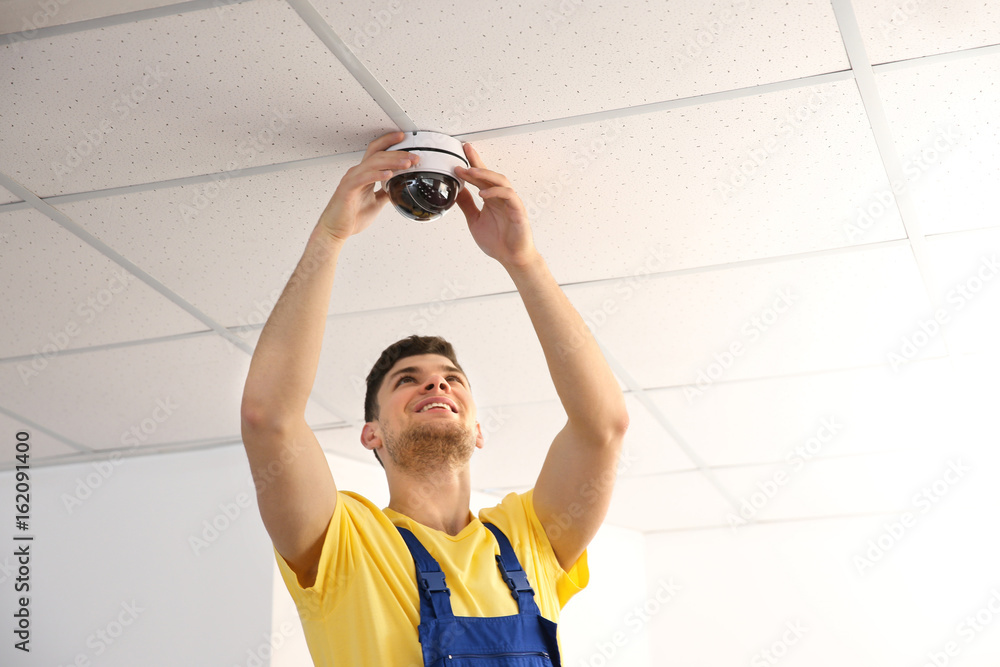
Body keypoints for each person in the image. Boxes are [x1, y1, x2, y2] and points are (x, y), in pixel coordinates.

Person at [240, 131, 629, 666]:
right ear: (370, 433)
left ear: (478, 430)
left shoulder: (529, 539)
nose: (436, 385)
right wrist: (329, 240)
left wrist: (524, 260)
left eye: (451, 378)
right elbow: (269, 419)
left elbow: (603, 426)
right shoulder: (343, 542)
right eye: (407, 380)